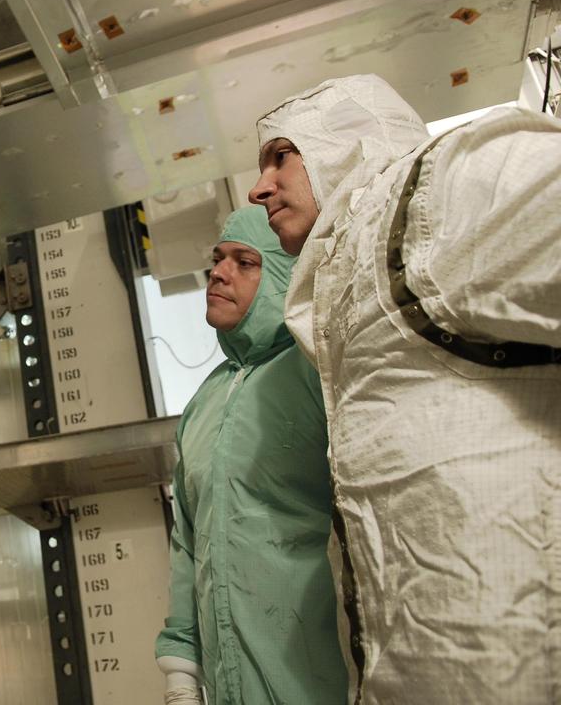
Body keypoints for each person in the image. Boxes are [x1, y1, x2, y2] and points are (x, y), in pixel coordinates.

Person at [247, 74, 561, 704]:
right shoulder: (347, 276)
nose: (259, 189)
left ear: (343, 141)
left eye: (281, 156)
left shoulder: (433, 192)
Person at [154, 206, 348, 705]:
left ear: (284, 277)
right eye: (218, 259)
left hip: (323, 679)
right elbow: (187, 544)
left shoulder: (316, 375)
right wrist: (181, 679)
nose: (218, 273)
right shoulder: (202, 404)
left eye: (245, 262)